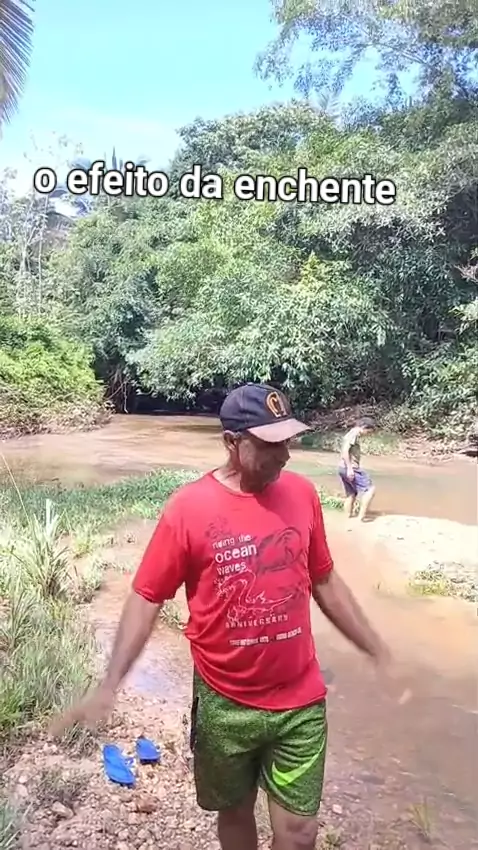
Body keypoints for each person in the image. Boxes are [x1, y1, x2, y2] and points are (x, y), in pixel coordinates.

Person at [53, 383, 392, 850]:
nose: (285, 456)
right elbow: (147, 597)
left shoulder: (302, 494)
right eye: (270, 444)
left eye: (288, 441)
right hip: (224, 702)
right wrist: (110, 684)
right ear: (232, 442)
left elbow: (325, 580)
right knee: (235, 814)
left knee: (299, 833)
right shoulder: (188, 508)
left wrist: (374, 647)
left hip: (300, 700)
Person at [338, 416, 377, 521]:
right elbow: (345, 451)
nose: (367, 435)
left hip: (342, 467)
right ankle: (361, 517)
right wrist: (350, 468)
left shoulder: (351, 433)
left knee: (351, 494)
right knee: (370, 489)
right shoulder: (354, 434)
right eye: (368, 432)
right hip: (350, 468)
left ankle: (347, 517)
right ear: (364, 427)